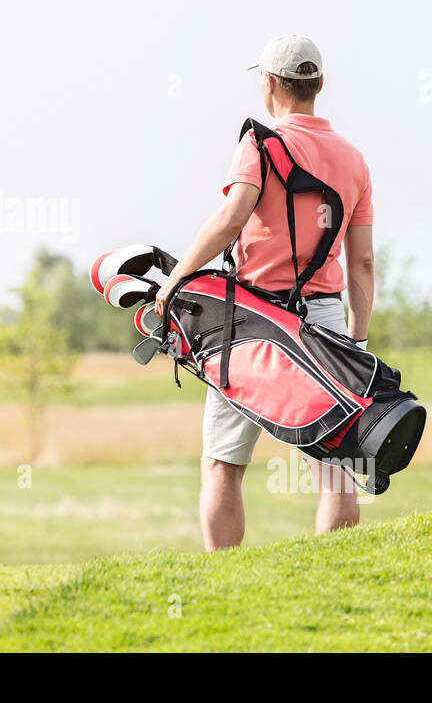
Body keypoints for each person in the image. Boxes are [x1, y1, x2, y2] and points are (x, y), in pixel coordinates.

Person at [153, 35, 375, 551]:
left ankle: (225, 577)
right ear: (318, 85)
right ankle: (333, 571)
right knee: (337, 464)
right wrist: (357, 344)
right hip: (325, 323)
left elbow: (231, 219)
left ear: (270, 82)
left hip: (252, 324)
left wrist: (175, 279)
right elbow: (361, 262)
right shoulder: (354, 160)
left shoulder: (260, 143)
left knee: (222, 464)